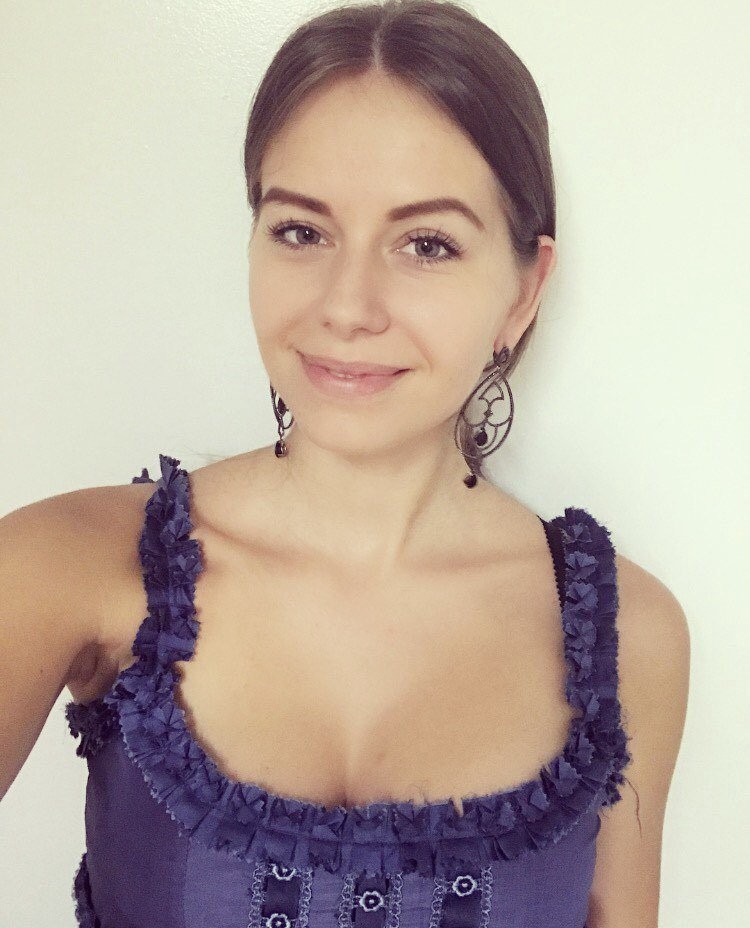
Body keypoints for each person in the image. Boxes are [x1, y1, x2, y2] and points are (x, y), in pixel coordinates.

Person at [0, 2, 690, 926]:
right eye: (301, 231)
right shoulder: (62, 564)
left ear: (524, 291)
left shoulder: (633, 637)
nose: (348, 306)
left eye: (427, 244)